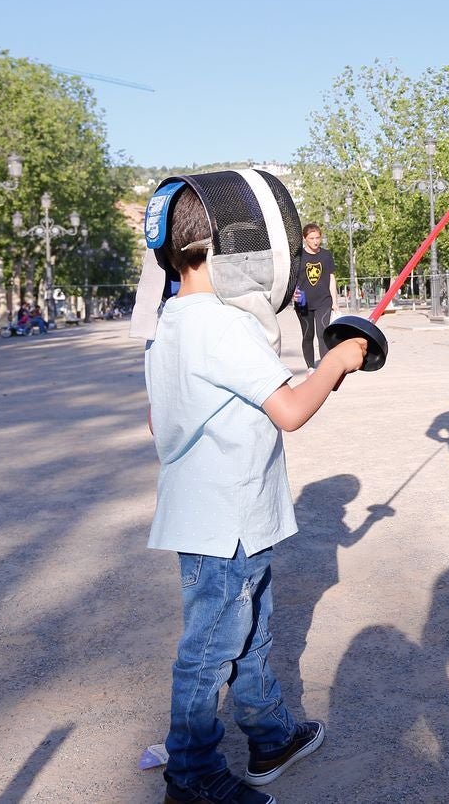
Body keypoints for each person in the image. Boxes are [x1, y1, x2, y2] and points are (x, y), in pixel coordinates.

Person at [146, 185, 368, 804]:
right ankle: (191, 778)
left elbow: (157, 418)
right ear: (223, 249)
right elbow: (291, 409)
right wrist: (337, 361)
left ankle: (270, 735)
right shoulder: (222, 326)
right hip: (228, 519)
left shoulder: (171, 321)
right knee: (211, 649)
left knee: (250, 631)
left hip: (214, 513)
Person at [295, 223, 335, 373]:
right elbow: (291, 278)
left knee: (323, 333)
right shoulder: (298, 257)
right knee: (308, 335)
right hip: (302, 301)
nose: (315, 241)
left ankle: (325, 367)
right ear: (305, 239)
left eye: (318, 237)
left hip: (324, 300)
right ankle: (311, 367)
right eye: (311, 238)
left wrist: (335, 302)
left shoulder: (326, 255)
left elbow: (331, 278)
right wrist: (292, 293)